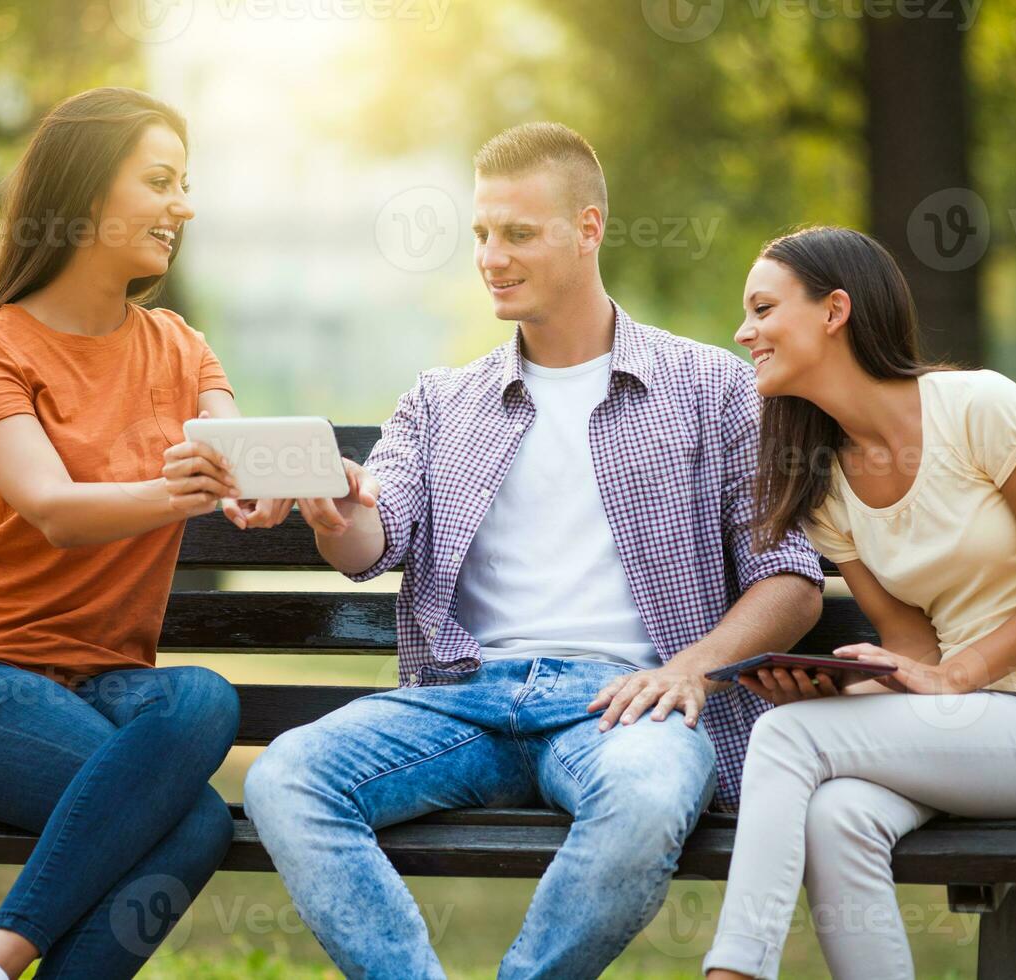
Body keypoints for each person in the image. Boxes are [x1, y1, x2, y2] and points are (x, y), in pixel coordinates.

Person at [242, 122, 826, 979]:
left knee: (648, 799)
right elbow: (373, 541)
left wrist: (692, 668)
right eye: (481, 233)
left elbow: (793, 580)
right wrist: (335, 511)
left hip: (624, 708)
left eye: (518, 233)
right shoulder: (442, 401)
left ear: (588, 229)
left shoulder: (712, 388)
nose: (491, 256)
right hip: (466, 701)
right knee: (284, 779)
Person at [0, 87, 289, 980]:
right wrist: (178, 489)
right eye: (159, 181)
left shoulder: (182, 347)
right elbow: (53, 508)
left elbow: (234, 454)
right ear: (82, 195)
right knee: (189, 820)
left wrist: (262, 487)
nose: (183, 206)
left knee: (202, 700)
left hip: (106, 688)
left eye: (185, 184)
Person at [703, 226, 1016, 979]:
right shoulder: (826, 486)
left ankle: (732, 971)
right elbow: (910, 644)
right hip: (954, 733)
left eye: (763, 309)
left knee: (786, 739)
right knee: (837, 817)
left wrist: (959, 677)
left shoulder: (980, 409)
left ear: (834, 311)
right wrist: (833, 686)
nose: (744, 332)